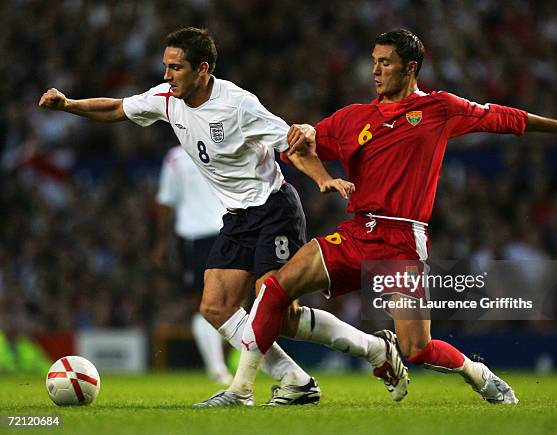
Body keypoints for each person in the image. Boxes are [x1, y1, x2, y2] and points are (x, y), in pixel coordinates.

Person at [202, 28, 557, 407]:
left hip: (401, 241)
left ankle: (478, 374)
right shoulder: (352, 118)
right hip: (357, 232)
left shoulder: (439, 108)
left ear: (410, 68)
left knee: (416, 349)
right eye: (374, 62)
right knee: (272, 290)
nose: (375, 71)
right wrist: (313, 155)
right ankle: (242, 390)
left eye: (386, 63)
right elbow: (299, 146)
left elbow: (501, 117)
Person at [38, 27, 409, 406]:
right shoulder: (166, 99)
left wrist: (323, 179)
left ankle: (375, 350)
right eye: (165, 66)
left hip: (273, 208)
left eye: (175, 68)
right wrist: (69, 105)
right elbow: (118, 108)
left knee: (278, 312)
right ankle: (294, 379)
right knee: (215, 307)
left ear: (202, 69)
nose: (167, 76)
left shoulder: (238, 105)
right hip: (237, 217)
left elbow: (292, 144)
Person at [153, 145, 232, 384]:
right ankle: (220, 368)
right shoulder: (221, 147)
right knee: (222, 304)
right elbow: (166, 203)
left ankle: (218, 368)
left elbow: (166, 204)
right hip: (221, 233)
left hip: (204, 238)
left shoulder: (176, 158)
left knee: (208, 304)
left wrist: (162, 242)